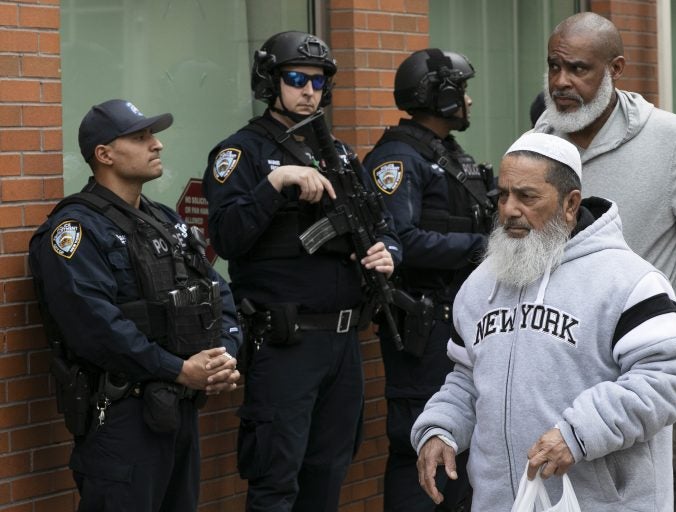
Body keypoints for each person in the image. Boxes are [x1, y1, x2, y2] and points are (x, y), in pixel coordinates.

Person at [411, 132, 676, 511]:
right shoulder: (480, 285)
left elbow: (667, 378)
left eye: (527, 196)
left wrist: (578, 434)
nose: (509, 209)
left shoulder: (630, 281)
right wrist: (440, 428)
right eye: (503, 195)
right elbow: (466, 379)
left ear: (570, 203)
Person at [202, 31, 401, 512]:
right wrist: (274, 183)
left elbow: (384, 226)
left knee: (328, 473)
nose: (308, 90)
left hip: (342, 342)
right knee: (276, 481)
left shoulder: (337, 153)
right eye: (295, 79)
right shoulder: (240, 154)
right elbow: (226, 238)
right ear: (271, 82)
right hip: (285, 343)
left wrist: (389, 252)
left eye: (316, 81)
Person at [28, 99, 242, 512]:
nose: (157, 145)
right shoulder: (74, 230)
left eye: (153, 135)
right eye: (140, 137)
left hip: (179, 406)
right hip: (123, 417)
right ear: (104, 155)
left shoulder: (166, 221)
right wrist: (179, 369)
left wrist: (224, 356)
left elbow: (218, 291)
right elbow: (96, 326)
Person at [534, 11, 676, 428]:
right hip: (552, 364)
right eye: (555, 66)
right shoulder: (542, 141)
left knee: (633, 493)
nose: (560, 82)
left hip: (639, 366)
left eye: (577, 69)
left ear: (616, 70)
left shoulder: (670, 138)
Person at [362, 48, 495, 512]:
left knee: (456, 449)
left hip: (457, 322)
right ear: (438, 95)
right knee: (418, 444)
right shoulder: (396, 159)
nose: (469, 102)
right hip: (423, 327)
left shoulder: (448, 154)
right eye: (461, 91)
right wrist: (483, 249)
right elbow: (398, 241)